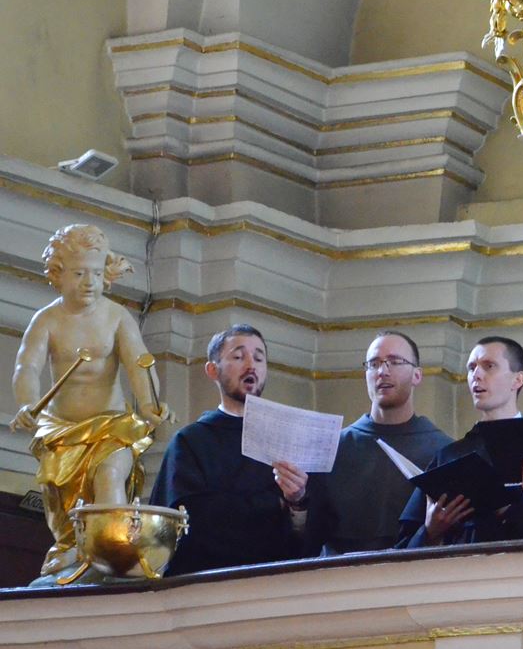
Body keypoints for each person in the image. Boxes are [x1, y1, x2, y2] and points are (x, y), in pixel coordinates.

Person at [10, 225, 171, 582]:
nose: (89, 282)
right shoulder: (47, 320)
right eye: (80, 273)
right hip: (62, 431)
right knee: (62, 508)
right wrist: (26, 404)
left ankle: (107, 558)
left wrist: (148, 405)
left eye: (96, 274)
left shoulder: (116, 317)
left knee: (111, 475)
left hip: (111, 426)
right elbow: (27, 368)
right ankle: (73, 549)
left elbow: (139, 364)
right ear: (58, 274)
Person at [151, 325, 307, 574]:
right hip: (207, 585)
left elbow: (311, 532)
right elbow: (186, 521)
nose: (251, 365)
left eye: (259, 358)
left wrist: (298, 502)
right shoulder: (191, 442)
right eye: (238, 356)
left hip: (278, 583)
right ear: (213, 370)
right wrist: (272, 503)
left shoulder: (286, 439)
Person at [305, 331, 453, 554]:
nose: (383, 371)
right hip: (340, 577)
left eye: (395, 362)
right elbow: (309, 533)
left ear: (417, 376)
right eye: (374, 364)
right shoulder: (333, 447)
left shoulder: (442, 450)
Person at [397, 336, 523, 547]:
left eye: (489, 366)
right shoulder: (449, 456)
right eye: (472, 368)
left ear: (518, 380)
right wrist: (431, 531)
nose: (476, 375)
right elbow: (407, 545)